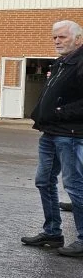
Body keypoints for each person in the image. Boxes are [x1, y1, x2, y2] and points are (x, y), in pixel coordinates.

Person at [20, 20, 83, 257]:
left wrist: (59, 113)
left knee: (75, 186)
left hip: (71, 135)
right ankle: (53, 232)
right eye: (54, 37)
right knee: (43, 181)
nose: (57, 41)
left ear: (78, 39)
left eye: (62, 37)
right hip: (50, 133)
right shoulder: (61, 63)